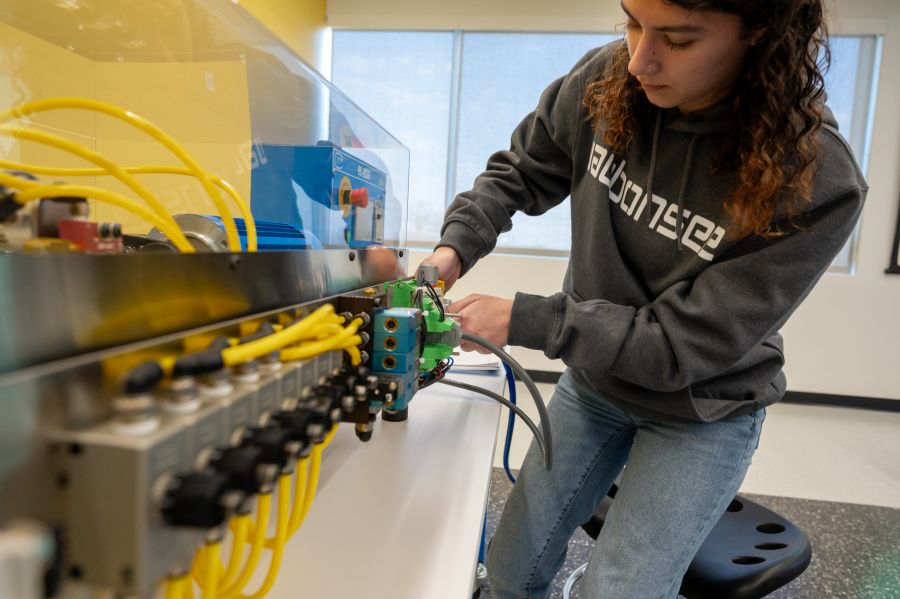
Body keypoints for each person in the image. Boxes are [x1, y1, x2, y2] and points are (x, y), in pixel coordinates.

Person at [419, 0, 867, 597]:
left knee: (617, 592)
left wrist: (525, 318)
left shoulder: (815, 178)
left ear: (761, 33)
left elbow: (681, 343)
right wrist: (454, 248)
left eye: (678, 40)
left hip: (700, 412)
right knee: (510, 571)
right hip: (596, 384)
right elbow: (522, 171)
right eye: (633, 21)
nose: (639, 61)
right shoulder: (608, 79)